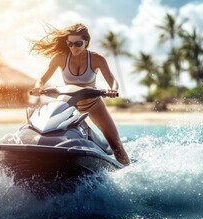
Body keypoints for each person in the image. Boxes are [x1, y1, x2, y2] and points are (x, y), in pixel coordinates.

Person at [30, 23, 130, 166]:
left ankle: (126, 171)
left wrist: (113, 90)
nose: (73, 48)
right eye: (69, 43)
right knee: (51, 135)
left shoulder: (97, 59)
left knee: (116, 144)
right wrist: (38, 87)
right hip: (70, 107)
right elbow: (42, 79)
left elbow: (113, 82)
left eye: (78, 44)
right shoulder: (60, 58)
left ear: (86, 43)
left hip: (94, 106)